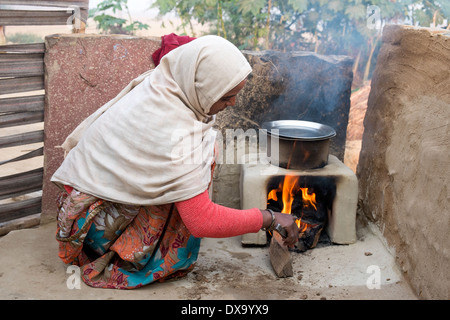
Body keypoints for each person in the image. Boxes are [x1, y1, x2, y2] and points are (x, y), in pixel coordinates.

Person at [51, 35, 299, 289]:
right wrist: (270, 217)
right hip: (92, 229)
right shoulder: (175, 127)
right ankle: (129, 256)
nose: (232, 103)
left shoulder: (162, 87)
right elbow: (201, 221)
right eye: (226, 97)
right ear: (201, 87)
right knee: (193, 175)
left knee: (196, 161)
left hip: (79, 214)